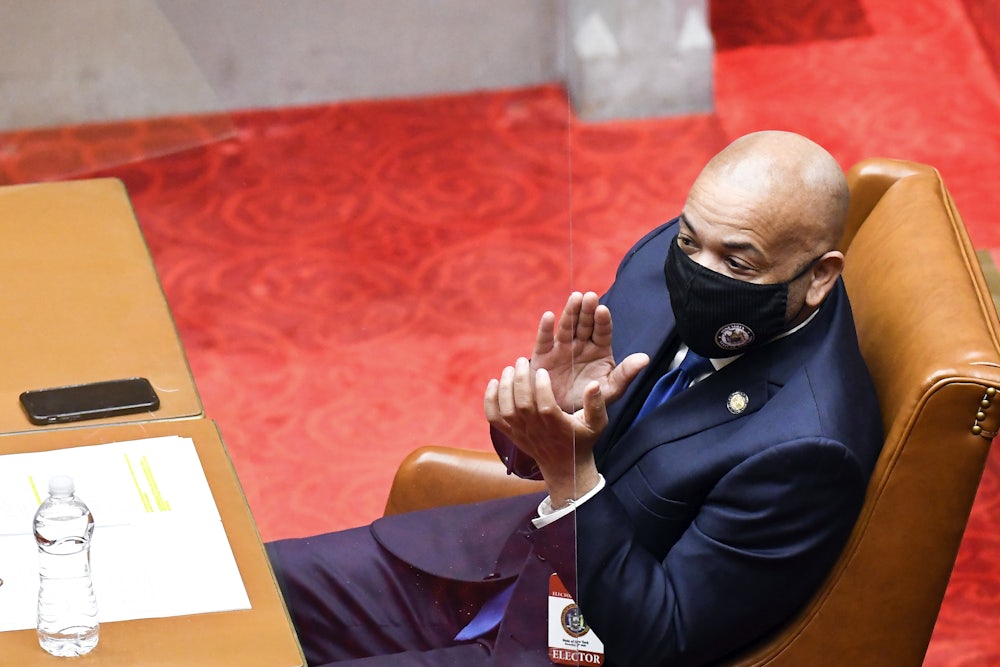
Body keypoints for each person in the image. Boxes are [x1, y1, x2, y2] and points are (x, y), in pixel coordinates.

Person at [266, 130, 883, 666]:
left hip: (580, 643)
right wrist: (550, 416)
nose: (698, 269)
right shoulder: (678, 255)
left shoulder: (810, 448)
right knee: (234, 593)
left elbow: (658, 639)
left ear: (820, 275)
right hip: (492, 563)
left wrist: (571, 475)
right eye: (691, 241)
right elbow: (551, 449)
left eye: (736, 262)